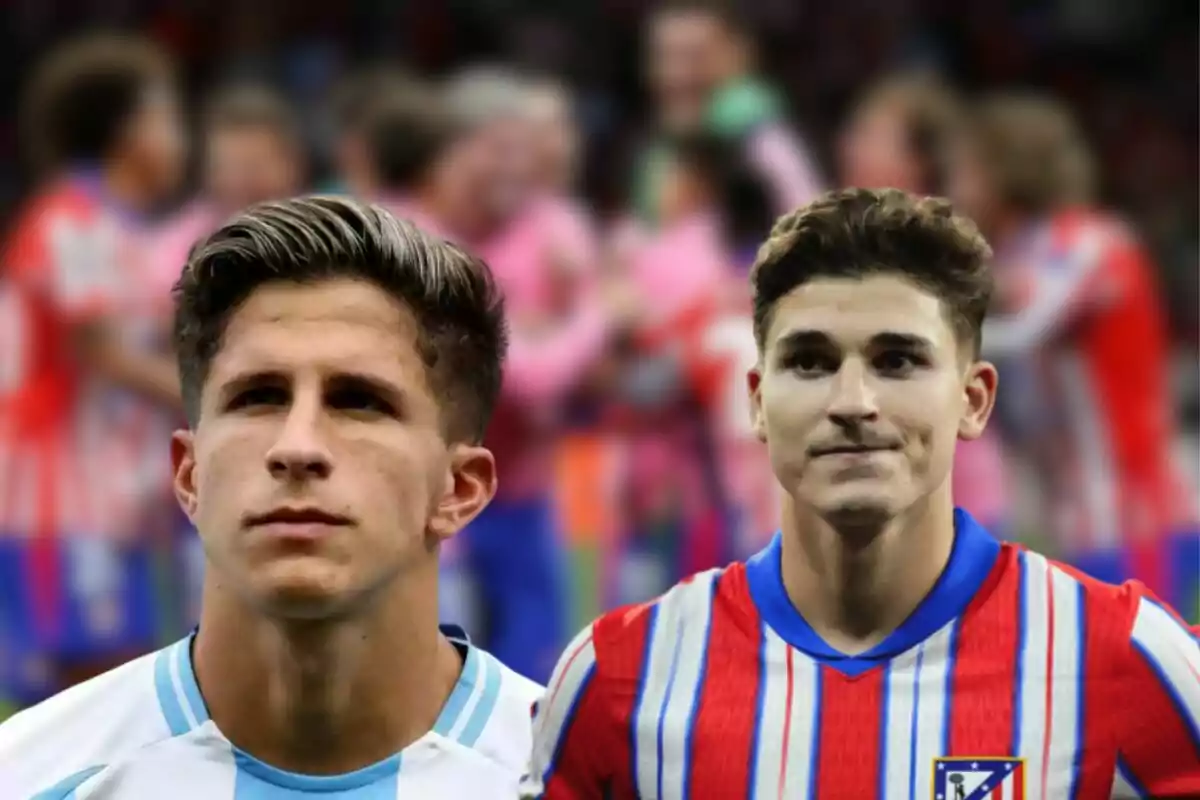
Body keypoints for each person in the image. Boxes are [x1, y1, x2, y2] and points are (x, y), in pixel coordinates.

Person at [522, 188, 1200, 799]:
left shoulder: (1119, 655)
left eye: (897, 360)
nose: (852, 402)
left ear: (973, 400)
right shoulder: (620, 676)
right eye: (810, 362)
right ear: (757, 401)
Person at [0, 197, 542, 797]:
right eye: (258, 396)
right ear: (189, 475)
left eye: (358, 401)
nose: (298, 446)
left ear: (458, 490)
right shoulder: (32, 777)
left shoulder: (573, 779)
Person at [949, 94, 1199, 620]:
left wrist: (925, 345)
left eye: (966, 169)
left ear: (1006, 170)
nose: (954, 188)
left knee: (1147, 685)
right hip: (1073, 513)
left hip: (1135, 514)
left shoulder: (1092, 242)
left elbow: (1027, 331)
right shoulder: (1015, 255)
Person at [0, 34, 187, 708]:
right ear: (126, 129)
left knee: (118, 687)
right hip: (61, 495)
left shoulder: (125, 228)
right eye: (167, 117)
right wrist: (213, 401)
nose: (176, 138)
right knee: (83, 696)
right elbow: (101, 352)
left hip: (117, 495)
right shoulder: (71, 221)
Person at [838, 72, 1011, 535]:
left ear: (918, 160)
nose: (851, 146)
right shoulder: (866, 231)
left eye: (872, 136)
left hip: (954, 475)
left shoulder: (929, 241)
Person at [633, 0, 823, 233]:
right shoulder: (659, 154)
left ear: (740, 56)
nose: (675, 75)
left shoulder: (764, 143)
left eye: (695, 57)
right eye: (663, 57)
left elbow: (817, 240)